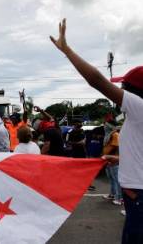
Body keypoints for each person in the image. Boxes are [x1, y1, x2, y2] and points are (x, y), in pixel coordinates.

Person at [51, 18, 143, 243]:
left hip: (139, 197)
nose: (119, 91)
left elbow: (96, 80)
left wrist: (67, 50)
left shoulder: (140, 107)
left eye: (123, 88)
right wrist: (118, 158)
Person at [102, 120, 122, 205]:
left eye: (106, 125)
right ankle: (113, 194)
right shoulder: (109, 135)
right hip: (108, 160)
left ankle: (119, 198)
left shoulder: (115, 135)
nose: (104, 127)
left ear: (110, 126)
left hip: (113, 161)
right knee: (111, 178)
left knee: (116, 180)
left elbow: (117, 148)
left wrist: (112, 159)